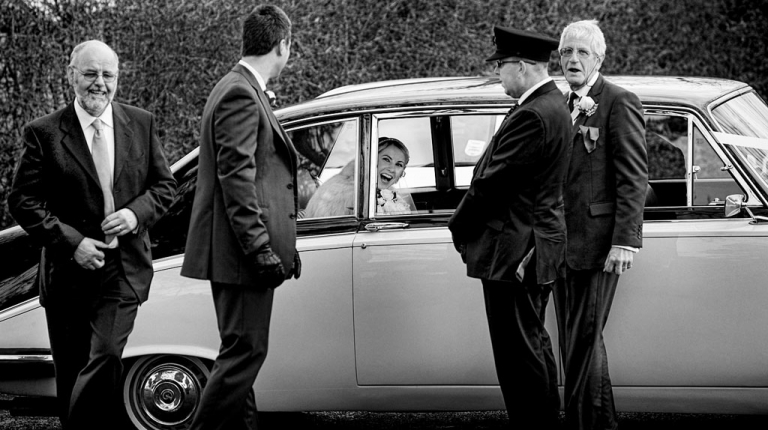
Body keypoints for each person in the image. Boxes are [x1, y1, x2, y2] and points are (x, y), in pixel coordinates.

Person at [8, 40, 176, 430]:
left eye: (108, 74)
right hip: (67, 274)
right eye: (90, 73)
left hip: (123, 269)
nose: (99, 83)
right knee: (71, 374)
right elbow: (24, 201)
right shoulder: (44, 133)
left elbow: (165, 187)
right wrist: (73, 243)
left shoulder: (141, 122)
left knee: (105, 356)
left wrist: (135, 215)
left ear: (118, 78)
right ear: (71, 76)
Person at [179, 5, 300, 430]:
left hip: (239, 253)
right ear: (283, 44)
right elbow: (237, 181)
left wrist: (287, 245)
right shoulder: (240, 93)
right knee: (245, 352)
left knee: (240, 351)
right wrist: (261, 250)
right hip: (240, 257)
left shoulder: (239, 86)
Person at [448, 26, 571, 429]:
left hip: (516, 249)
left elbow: (492, 183)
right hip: (530, 244)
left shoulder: (534, 113)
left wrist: (458, 225)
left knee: (519, 352)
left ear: (521, 66)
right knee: (532, 344)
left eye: (501, 65)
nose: (498, 73)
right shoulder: (550, 104)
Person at [555, 20, 648, 430]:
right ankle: (596, 423)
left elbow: (634, 178)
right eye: (566, 53)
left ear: (599, 58)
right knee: (576, 344)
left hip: (599, 246)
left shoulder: (618, 101)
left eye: (582, 53)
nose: (572, 60)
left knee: (584, 340)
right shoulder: (558, 104)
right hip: (558, 246)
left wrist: (625, 241)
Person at [375, 137, 415, 215]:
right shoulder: (351, 198)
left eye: (399, 164)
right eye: (386, 160)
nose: (392, 169)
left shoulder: (398, 201)